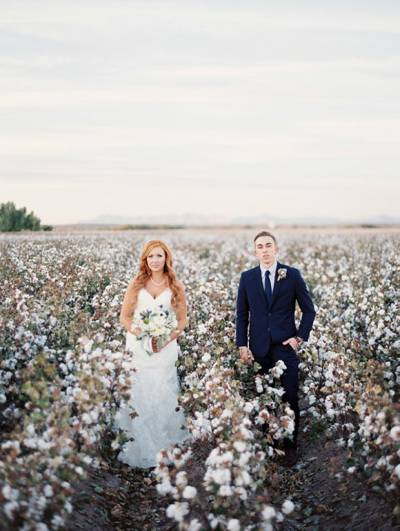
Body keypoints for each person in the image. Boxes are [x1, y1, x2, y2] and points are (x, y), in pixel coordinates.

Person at [236, 231, 316, 464]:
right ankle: (268, 445)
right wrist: (242, 345)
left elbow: (309, 310)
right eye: (260, 246)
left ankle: (290, 447)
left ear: (276, 248)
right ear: (255, 251)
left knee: (290, 397)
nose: (264, 250)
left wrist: (299, 338)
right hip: (258, 349)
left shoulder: (291, 275)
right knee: (263, 398)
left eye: (268, 245)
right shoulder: (247, 278)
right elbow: (242, 315)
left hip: (285, 347)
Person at [114, 239, 190, 468]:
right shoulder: (136, 284)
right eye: (151, 256)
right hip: (138, 348)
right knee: (140, 392)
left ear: (166, 258)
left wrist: (166, 338)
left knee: (164, 393)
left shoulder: (175, 284)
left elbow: (182, 320)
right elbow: (125, 317)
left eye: (159, 256)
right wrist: (141, 334)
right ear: (145, 260)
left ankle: (166, 448)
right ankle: (143, 447)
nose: (155, 260)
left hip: (165, 349)